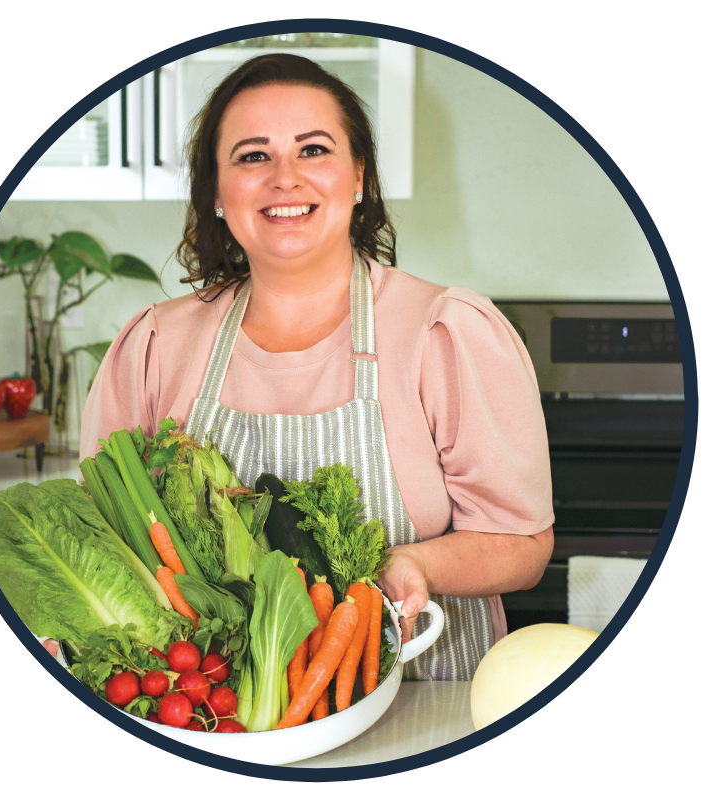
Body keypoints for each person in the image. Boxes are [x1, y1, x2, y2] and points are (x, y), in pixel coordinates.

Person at [79, 53, 555, 681]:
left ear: (358, 176)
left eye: (313, 150)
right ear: (216, 191)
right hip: (218, 713)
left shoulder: (445, 333)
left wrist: (418, 564)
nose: (286, 178)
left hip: (431, 701)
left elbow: (524, 546)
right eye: (253, 156)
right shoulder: (154, 347)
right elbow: (105, 541)